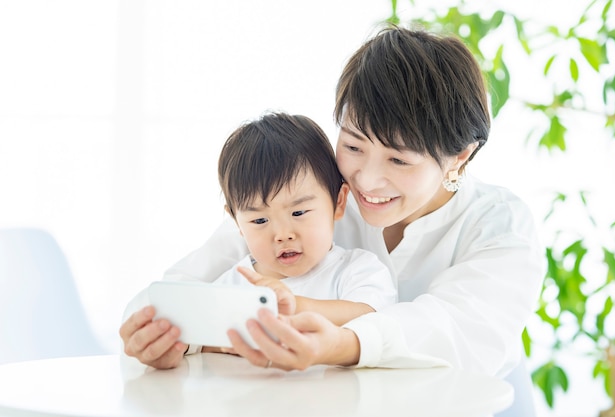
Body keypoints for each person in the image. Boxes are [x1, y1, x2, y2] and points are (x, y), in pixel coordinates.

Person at [120, 26, 543, 412]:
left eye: (398, 159)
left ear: (460, 156)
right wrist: (163, 336)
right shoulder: (312, 196)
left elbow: (452, 331)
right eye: (354, 146)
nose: (368, 180)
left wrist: (342, 343)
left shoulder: (501, 226)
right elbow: (182, 288)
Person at [122, 112, 397, 361]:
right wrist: (173, 349)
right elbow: (195, 335)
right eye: (260, 220)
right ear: (237, 223)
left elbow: (373, 318)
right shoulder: (231, 285)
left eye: (299, 212)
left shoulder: (358, 269)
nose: (282, 235)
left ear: (338, 203)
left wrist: (294, 307)